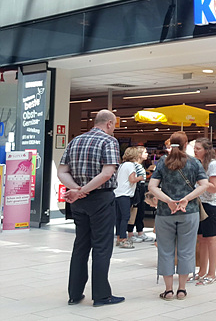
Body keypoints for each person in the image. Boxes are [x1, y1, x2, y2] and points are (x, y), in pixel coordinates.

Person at [56, 110, 125, 307]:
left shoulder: (75, 141)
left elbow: (62, 171)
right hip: (101, 198)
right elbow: (107, 173)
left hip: (79, 201)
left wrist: (76, 190)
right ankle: (101, 296)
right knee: (102, 247)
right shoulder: (109, 141)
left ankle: (74, 294)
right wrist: (83, 190)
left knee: (81, 245)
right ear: (109, 123)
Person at [148, 132, 209, 301]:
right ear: (186, 144)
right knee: (186, 250)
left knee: (165, 251)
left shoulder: (162, 162)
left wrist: (168, 200)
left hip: (165, 212)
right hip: (189, 212)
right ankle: (182, 289)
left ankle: (168, 291)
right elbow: (204, 185)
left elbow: (152, 186)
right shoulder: (194, 163)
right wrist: (187, 198)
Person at [193, 138, 216, 286]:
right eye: (195, 148)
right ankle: (202, 271)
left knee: (211, 239)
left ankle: (212, 273)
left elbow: (214, 187)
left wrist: (201, 182)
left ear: (206, 150)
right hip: (199, 203)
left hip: (210, 204)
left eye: (198, 148)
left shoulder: (213, 164)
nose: (195, 150)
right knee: (201, 238)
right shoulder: (198, 163)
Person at [114, 147, 146, 248]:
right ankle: (124, 239)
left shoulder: (121, 165)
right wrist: (139, 178)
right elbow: (132, 179)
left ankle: (119, 237)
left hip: (117, 193)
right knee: (125, 217)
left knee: (119, 217)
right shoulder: (131, 165)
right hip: (125, 194)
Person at [128, 147, 154, 242]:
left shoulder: (139, 165)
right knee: (136, 210)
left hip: (139, 188)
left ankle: (139, 231)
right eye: (145, 152)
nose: (147, 154)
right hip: (137, 188)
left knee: (140, 210)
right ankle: (132, 232)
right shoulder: (135, 165)